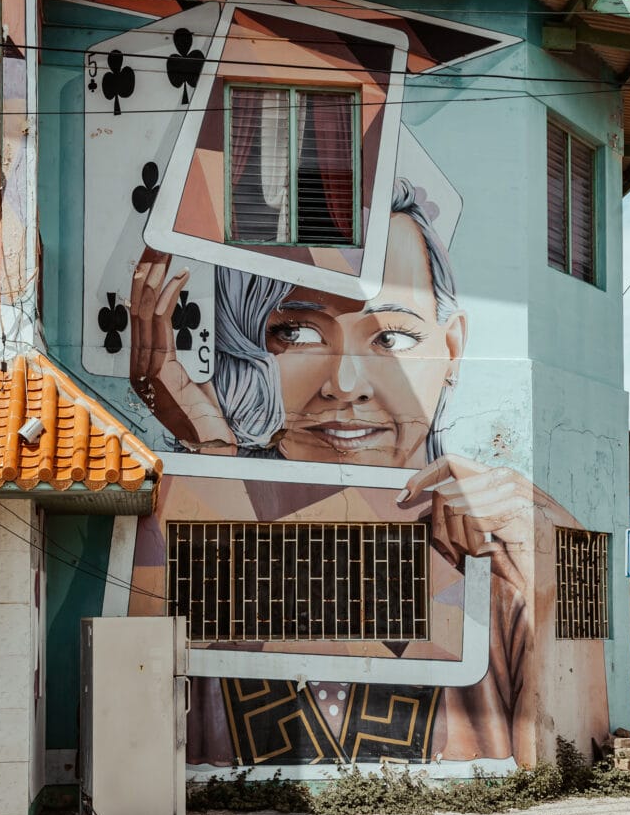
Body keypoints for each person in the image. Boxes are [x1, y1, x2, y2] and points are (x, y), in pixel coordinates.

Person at [130, 179, 604, 764]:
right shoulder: (206, 530)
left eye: (395, 337)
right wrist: (206, 462)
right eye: (297, 333)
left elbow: (574, 767)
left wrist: (559, 572)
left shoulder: (507, 548)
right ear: (242, 350)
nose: (345, 385)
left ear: (452, 350)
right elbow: (139, 745)